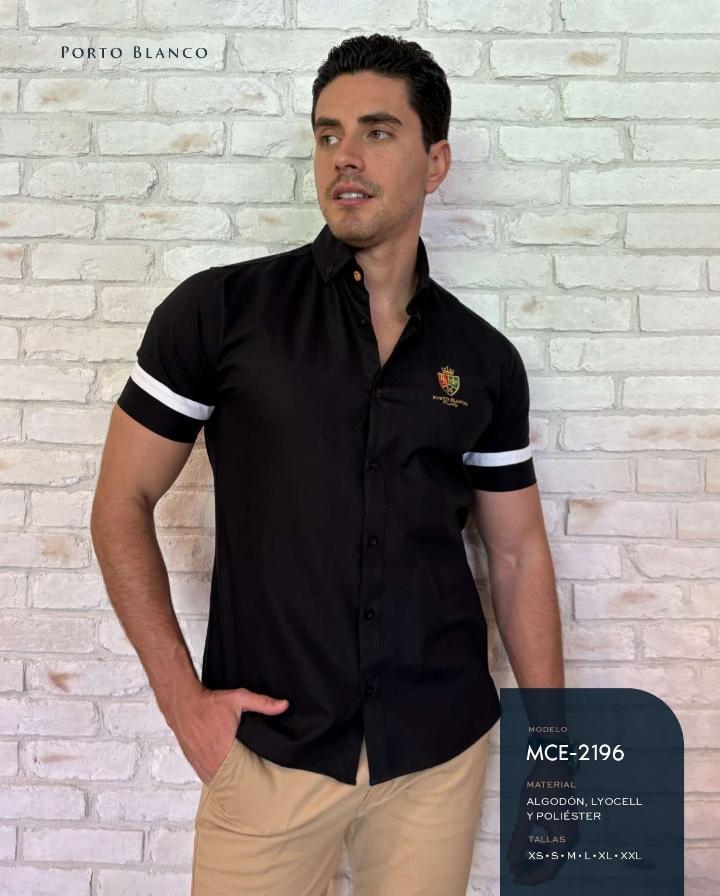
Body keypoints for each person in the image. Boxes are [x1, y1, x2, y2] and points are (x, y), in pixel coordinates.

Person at [91, 32, 564, 896]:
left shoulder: (481, 359)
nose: (344, 156)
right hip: (268, 756)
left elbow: (517, 552)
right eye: (327, 134)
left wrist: (553, 741)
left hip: (435, 757)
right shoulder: (220, 313)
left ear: (435, 162)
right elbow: (121, 502)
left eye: (377, 132)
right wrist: (181, 700)